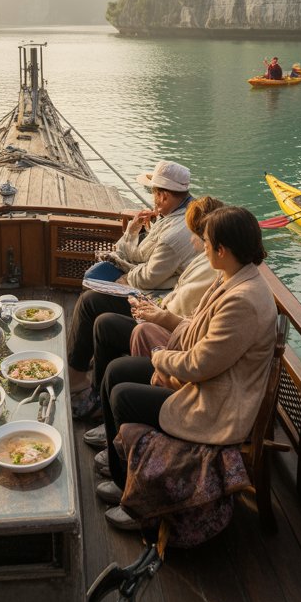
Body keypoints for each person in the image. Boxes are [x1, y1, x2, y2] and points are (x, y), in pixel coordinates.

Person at [95, 206, 280, 528]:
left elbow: (199, 365)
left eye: (206, 242)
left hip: (218, 404)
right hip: (210, 381)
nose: (203, 246)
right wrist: (165, 342)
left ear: (222, 249)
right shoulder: (234, 278)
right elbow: (200, 337)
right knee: (117, 372)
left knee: (124, 395)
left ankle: (139, 500)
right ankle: (122, 476)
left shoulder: (243, 299)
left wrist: (158, 356)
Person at [82, 196, 225, 437]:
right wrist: (132, 232)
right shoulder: (204, 260)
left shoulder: (213, 271)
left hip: (175, 340)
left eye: (199, 237)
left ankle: (111, 418)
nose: (191, 240)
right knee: (102, 317)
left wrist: (154, 317)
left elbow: (180, 310)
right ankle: (100, 400)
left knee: (104, 321)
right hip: (164, 315)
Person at [66, 160, 200, 415]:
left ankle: (80, 378)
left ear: (162, 195)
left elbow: (147, 277)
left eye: (154, 192)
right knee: (94, 290)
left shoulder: (175, 233)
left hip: (159, 298)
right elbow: (141, 256)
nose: (152, 198)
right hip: (161, 290)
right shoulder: (172, 216)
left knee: (90, 302)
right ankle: (83, 371)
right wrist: (132, 231)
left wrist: (125, 278)